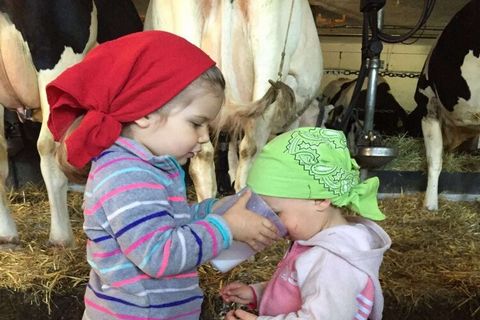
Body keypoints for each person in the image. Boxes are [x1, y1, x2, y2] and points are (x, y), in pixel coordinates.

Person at [46, 31, 280, 320]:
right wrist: (225, 227)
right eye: (196, 123)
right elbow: (158, 255)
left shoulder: (146, 168)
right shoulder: (126, 175)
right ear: (145, 112)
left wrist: (214, 210)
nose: (205, 137)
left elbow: (165, 224)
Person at [220, 127, 392, 320]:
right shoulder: (316, 243)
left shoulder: (333, 261)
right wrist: (257, 294)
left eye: (276, 212)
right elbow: (299, 289)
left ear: (320, 200)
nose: (269, 221)